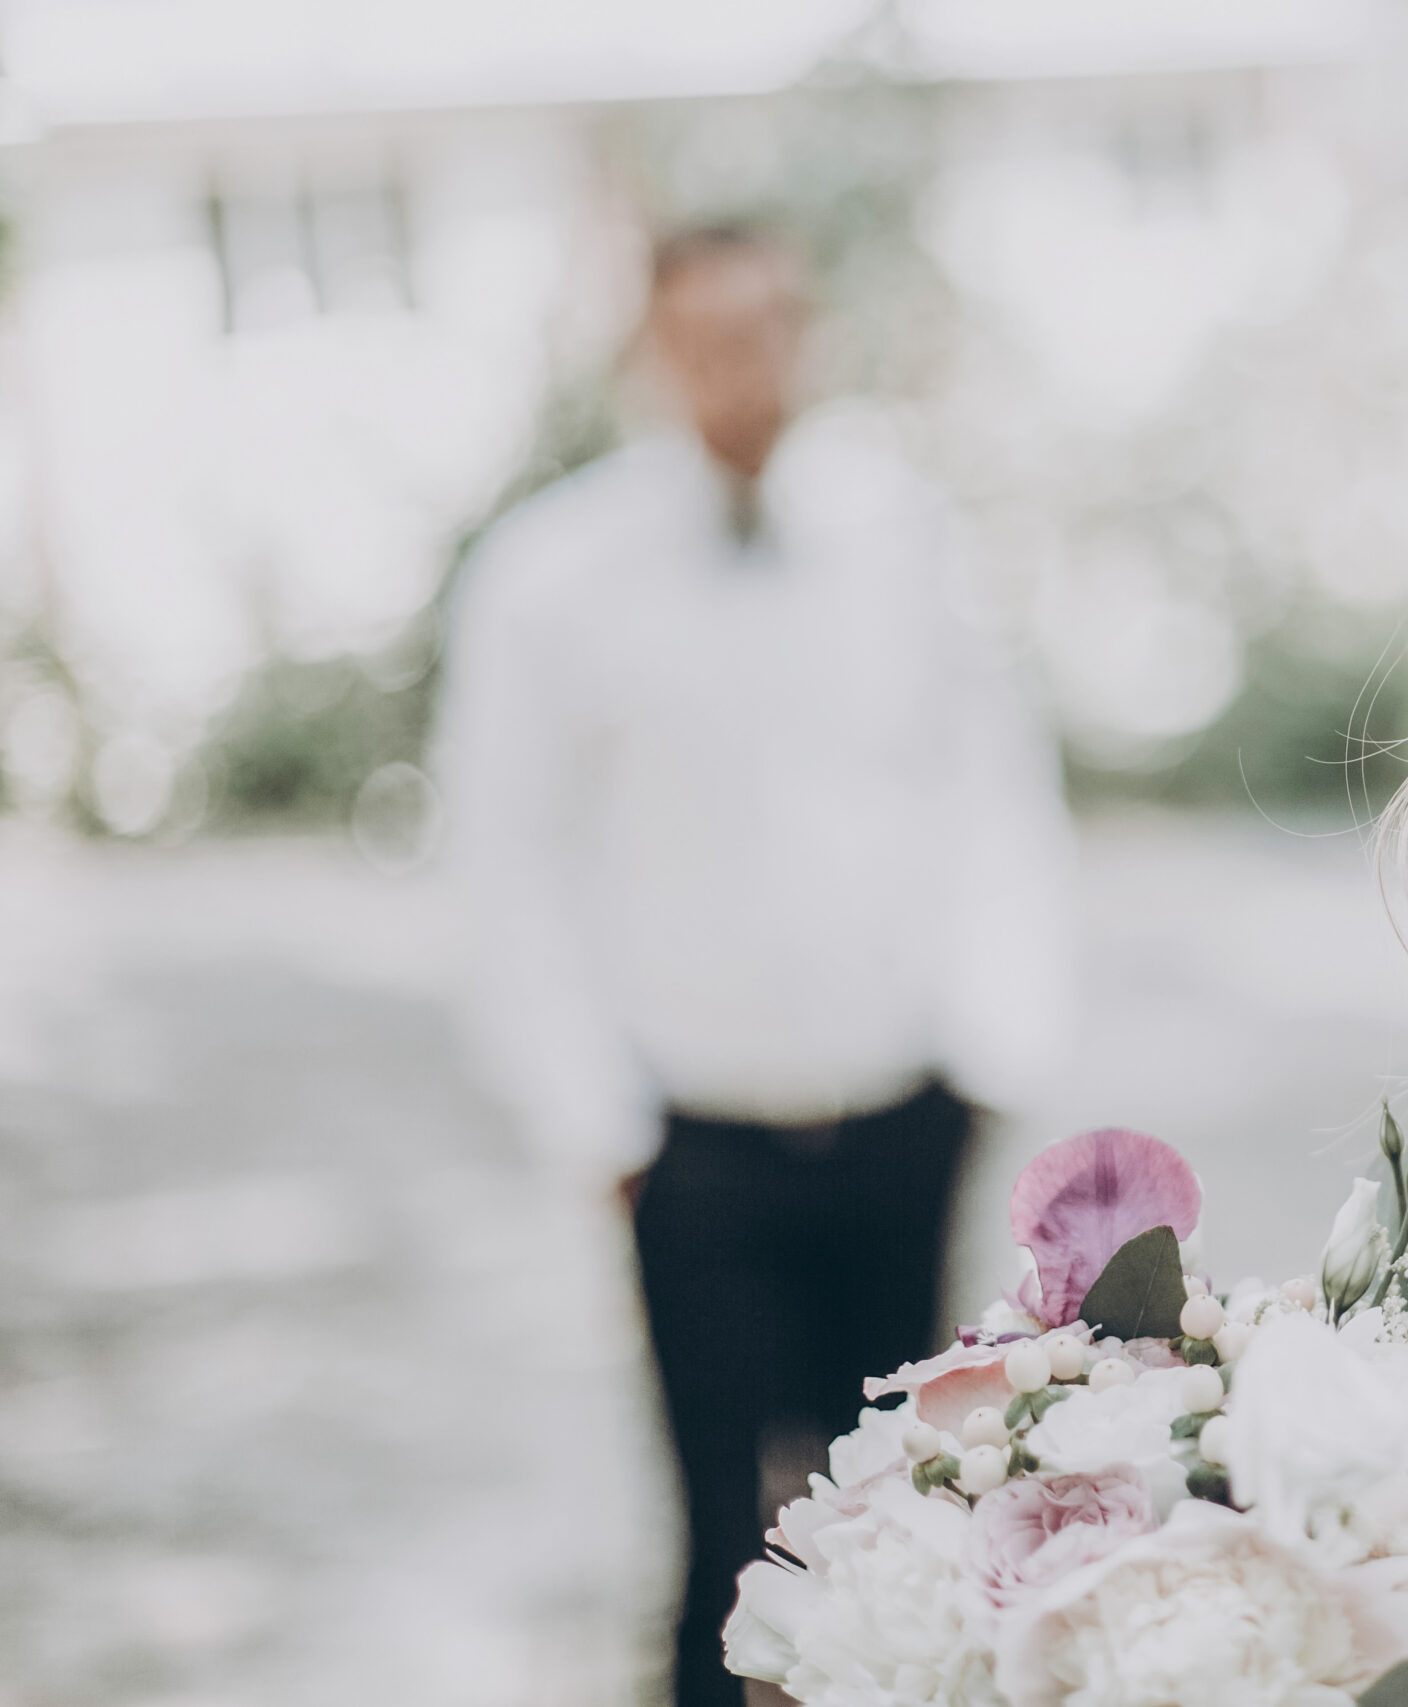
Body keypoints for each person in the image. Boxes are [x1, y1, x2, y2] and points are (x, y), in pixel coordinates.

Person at [435, 224, 1073, 1707]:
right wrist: (593, 1117)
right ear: (653, 354)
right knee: (728, 1553)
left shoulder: (903, 532)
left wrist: (997, 1043)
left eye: (774, 326)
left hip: (905, 1111)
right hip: (695, 1139)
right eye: (710, 336)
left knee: (902, 1529)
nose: (748, 365)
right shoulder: (555, 576)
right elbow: (507, 859)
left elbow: (989, 785)